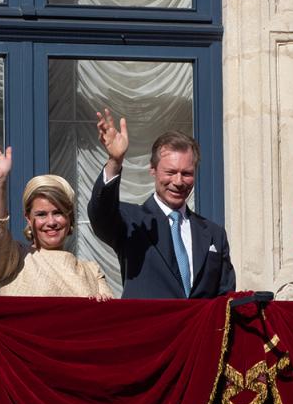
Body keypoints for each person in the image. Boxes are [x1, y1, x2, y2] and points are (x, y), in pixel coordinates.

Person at [88, 110, 235, 299]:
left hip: (200, 328)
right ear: (153, 171)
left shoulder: (215, 234)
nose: (178, 181)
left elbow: (226, 297)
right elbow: (101, 214)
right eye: (170, 172)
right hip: (150, 327)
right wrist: (115, 161)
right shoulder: (131, 221)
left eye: (187, 173)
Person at [0, 133, 111, 299]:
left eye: (58, 213)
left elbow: (113, 320)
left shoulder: (91, 271)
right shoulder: (14, 259)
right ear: (28, 219)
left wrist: (104, 304)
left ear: (69, 218)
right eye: (41, 214)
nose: (51, 222)